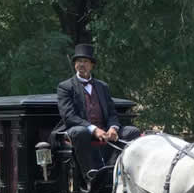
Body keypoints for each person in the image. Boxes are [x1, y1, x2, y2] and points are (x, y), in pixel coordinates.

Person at [53, 43, 139, 180]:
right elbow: (69, 116)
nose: (82, 64)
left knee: (132, 131)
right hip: (80, 130)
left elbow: (112, 113)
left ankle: (114, 170)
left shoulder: (102, 86)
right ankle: (91, 176)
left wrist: (113, 128)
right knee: (79, 132)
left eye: (85, 61)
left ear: (92, 65)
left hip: (105, 130)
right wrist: (93, 129)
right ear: (75, 64)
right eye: (79, 61)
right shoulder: (65, 87)